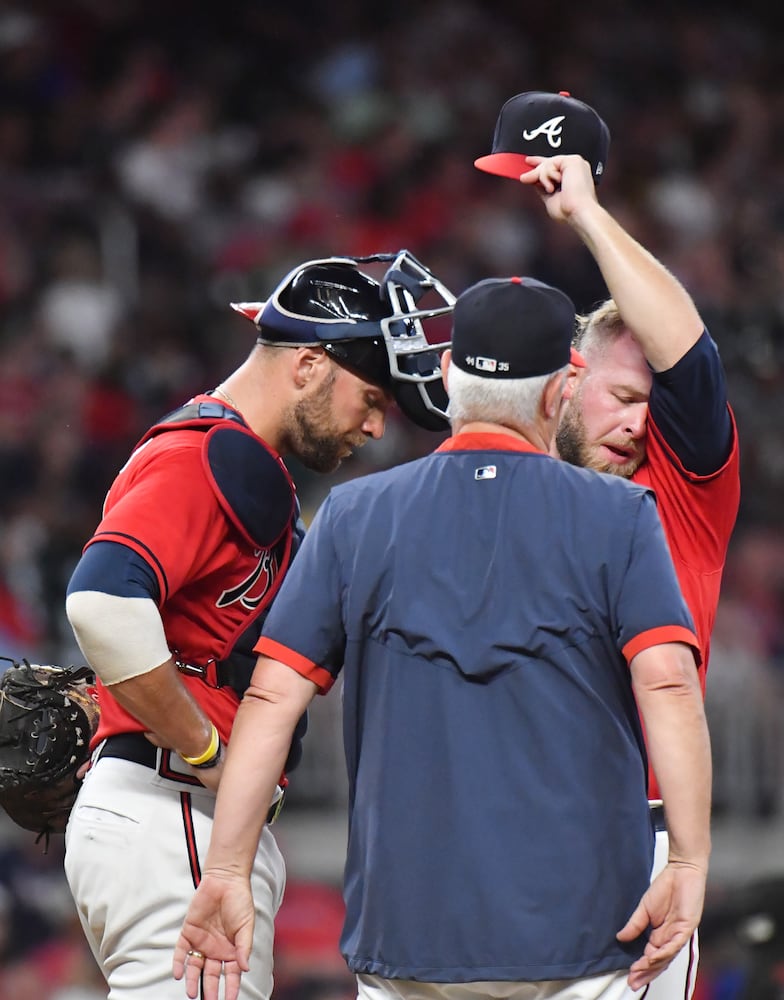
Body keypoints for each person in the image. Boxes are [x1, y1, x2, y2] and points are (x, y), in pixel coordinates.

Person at [173, 274, 712, 1000]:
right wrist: (687, 862)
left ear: (450, 375)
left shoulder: (354, 516)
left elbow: (271, 701)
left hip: (407, 941)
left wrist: (229, 871)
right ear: (560, 392)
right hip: (585, 937)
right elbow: (671, 684)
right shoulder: (618, 515)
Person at [62, 249, 455, 1000]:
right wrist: (208, 751)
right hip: (173, 804)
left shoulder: (243, 466)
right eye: (371, 397)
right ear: (307, 365)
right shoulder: (208, 456)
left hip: (177, 813)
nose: (376, 426)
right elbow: (102, 603)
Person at [474, 91, 740, 999]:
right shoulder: (504, 488)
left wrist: (586, 214)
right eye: (623, 400)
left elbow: (692, 360)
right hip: (511, 827)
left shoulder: (684, 485)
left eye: (650, 407)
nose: (638, 423)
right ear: (567, 385)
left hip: (646, 835)